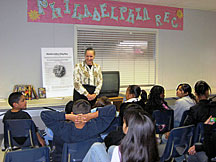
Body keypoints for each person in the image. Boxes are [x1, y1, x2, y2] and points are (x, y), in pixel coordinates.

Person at [41, 99, 116, 162]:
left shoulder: (62, 129)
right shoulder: (95, 126)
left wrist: (67, 116)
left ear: (72, 113)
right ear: (89, 113)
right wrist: (91, 116)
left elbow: (44, 115)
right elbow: (112, 109)